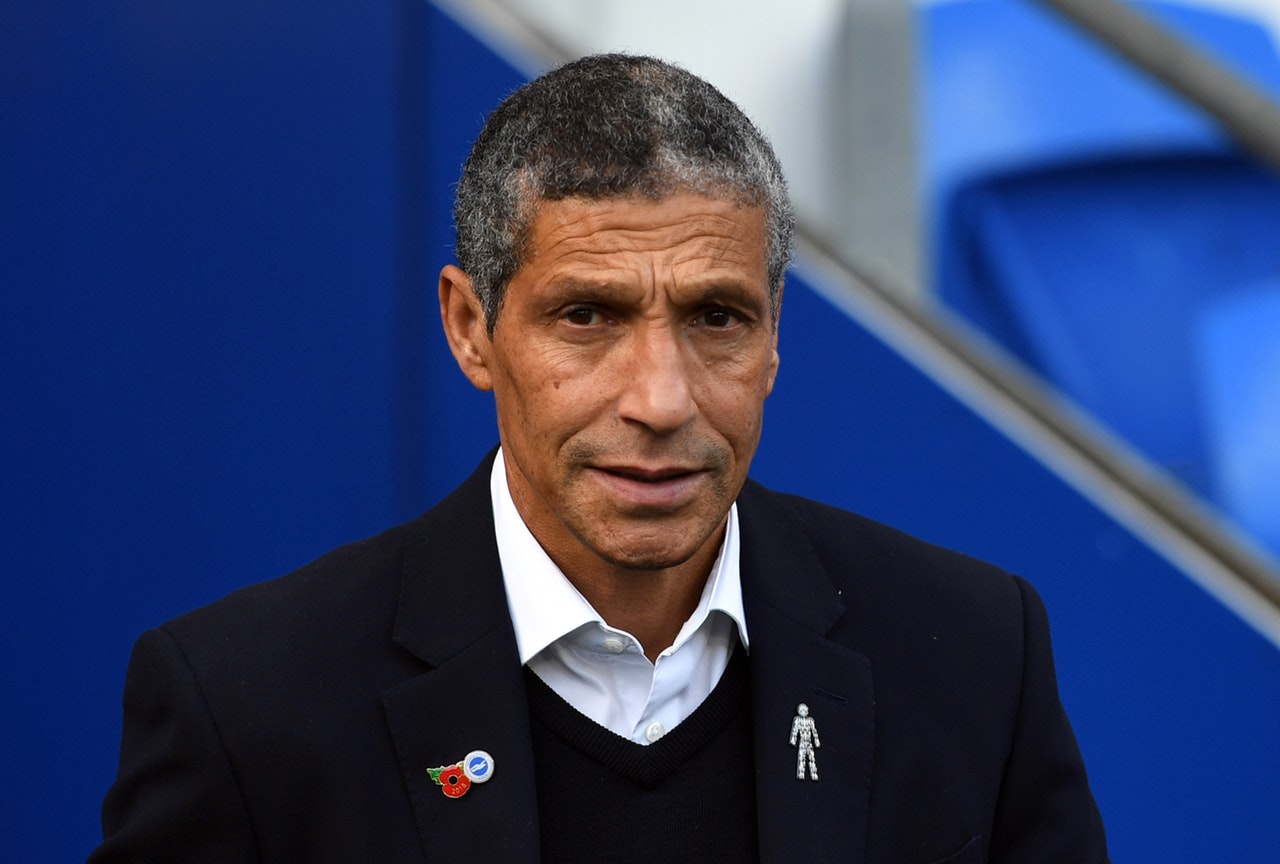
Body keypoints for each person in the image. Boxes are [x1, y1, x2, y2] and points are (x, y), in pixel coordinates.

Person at [90, 53, 1109, 863]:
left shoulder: (974, 657)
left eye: (717, 317)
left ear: (774, 335)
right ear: (470, 329)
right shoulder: (248, 706)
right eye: (586, 315)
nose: (660, 400)